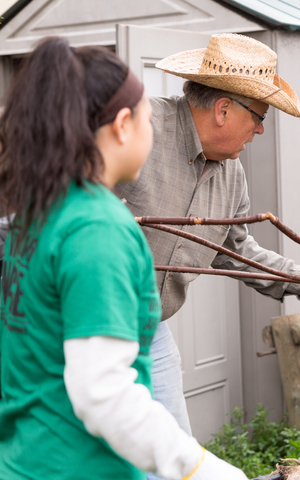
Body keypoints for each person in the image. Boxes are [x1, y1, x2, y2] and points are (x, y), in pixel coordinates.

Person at [112, 32, 300, 476]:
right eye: (259, 116)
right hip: (80, 321)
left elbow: (236, 251)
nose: (262, 129)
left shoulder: (230, 174)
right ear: (223, 109)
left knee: (171, 459)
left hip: (148, 329)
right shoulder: (136, 131)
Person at [0, 37, 249, 479]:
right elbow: (104, 394)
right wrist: (204, 469)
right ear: (121, 126)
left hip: (27, 460)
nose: (155, 131)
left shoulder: (40, 210)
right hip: (81, 468)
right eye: (148, 120)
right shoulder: (97, 229)